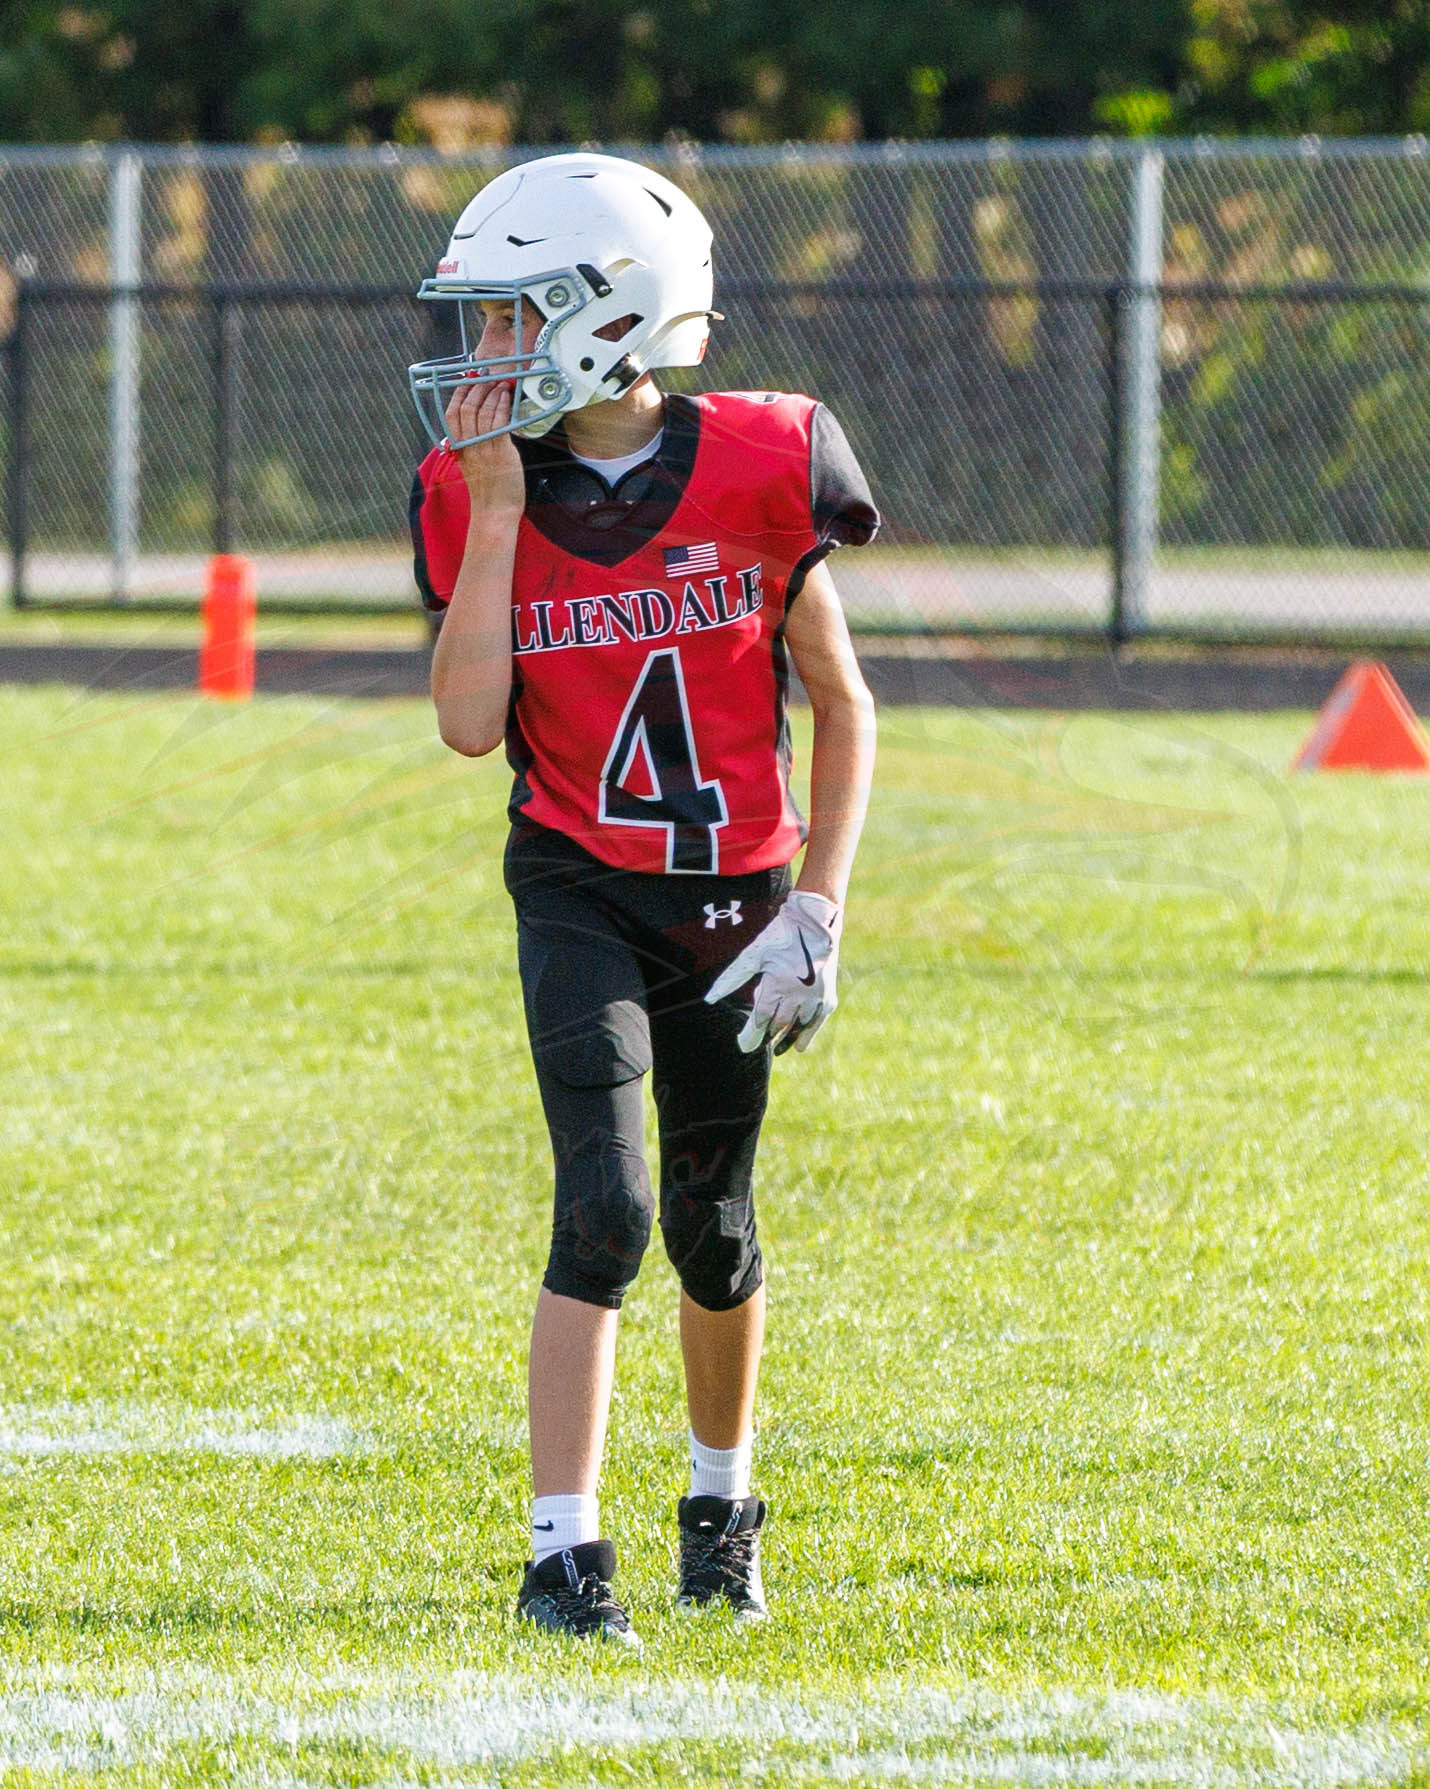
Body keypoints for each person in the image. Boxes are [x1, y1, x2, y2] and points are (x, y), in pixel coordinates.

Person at [408, 152, 879, 1647]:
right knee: (603, 1208)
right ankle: (562, 1556)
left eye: (512, 315)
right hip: (578, 879)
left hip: (735, 893)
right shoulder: (466, 487)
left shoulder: (762, 459)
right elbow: (468, 726)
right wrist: (497, 510)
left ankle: (719, 1515)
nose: (485, 349)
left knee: (713, 1224)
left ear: (610, 313)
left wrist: (819, 909)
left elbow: (842, 703)